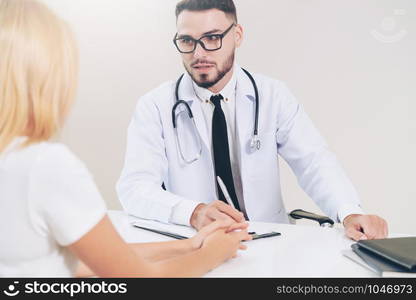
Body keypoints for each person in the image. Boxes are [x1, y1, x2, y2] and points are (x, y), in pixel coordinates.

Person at [0, 0, 251, 277]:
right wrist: (213, 253)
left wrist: (189, 247)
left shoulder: (14, 159)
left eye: (212, 38)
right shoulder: (45, 165)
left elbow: (80, 261)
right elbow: (141, 281)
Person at [117, 0, 388, 241]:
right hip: (198, 243)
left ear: (237, 35)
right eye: (187, 41)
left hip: (268, 239)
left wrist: (349, 212)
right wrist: (194, 212)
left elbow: (313, 161)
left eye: (212, 38)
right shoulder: (154, 106)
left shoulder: (273, 95)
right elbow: (134, 187)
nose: (198, 53)